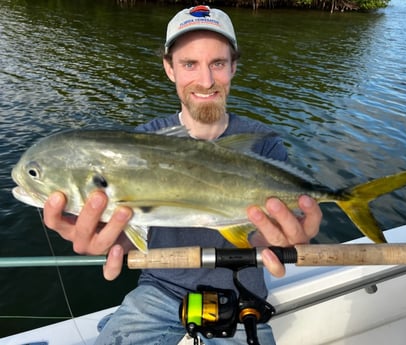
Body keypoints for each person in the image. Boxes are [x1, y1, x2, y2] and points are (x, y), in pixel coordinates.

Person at [43, 6, 322, 345]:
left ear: (233, 67)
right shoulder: (138, 144)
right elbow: (133, 231)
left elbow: (266, 235)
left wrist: (280, 243)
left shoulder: (263, 145)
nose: (206, 81)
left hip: (242, 296)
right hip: (157, 292)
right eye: (189, 64)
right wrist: (108, 237)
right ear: (169, 69)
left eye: (217, 64)